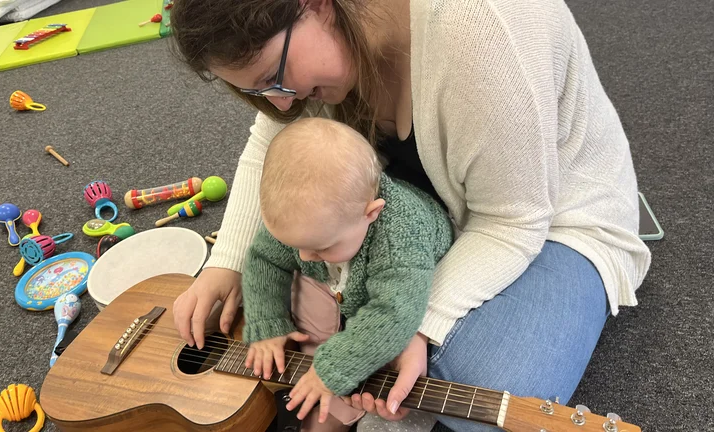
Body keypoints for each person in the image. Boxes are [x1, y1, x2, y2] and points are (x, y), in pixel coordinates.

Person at [170, 0, 652, 430]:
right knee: (289, 282)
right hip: (424, 210)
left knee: (473, 388)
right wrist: (226, 261)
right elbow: (273, 134)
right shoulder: (315, 49)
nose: (281, 101)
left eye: (274, 79)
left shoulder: (482, 26)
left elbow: (512, 221)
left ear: (313, 5)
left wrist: (420, 324)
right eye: (258, 92)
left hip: (555, 222)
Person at [239, 117, 452, 431]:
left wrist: (330, 370)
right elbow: (263, 259)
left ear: (371, 214)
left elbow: (393, 313)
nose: (303, 257)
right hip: (350, 271)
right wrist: (266, 323)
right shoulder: (307, 223)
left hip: (413, 278)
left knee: (387, 346)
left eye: (320, 248)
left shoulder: (399, 239)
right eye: (295, 245)